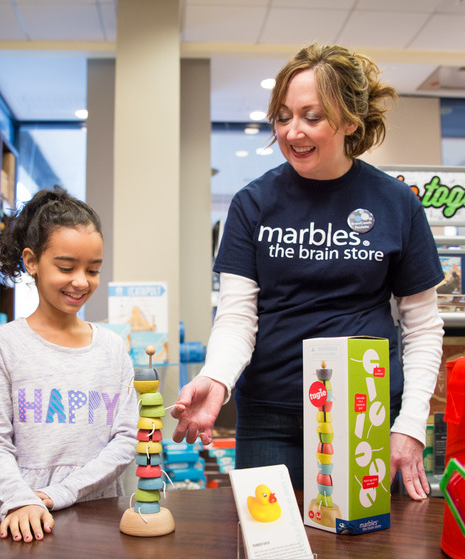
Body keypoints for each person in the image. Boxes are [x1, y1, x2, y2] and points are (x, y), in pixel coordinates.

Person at [171, 44, 444, 500]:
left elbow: (422, 326)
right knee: (273, 556)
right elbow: (238, 316)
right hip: (270, 416)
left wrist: (411, 422)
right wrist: (216, 378)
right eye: (282, 116)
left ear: (350, 122)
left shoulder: (396, 204)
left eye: (311, 116)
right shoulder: (253, 203)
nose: (292, 131)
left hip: (365, 415)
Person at [0, 187, 138, 542]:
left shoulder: (112, 349)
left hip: (94, 515)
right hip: (15, 518)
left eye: (93, 270)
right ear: (32, 261)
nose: (81, 281)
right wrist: (22, 501)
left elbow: (126, 439)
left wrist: (56, 495)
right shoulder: (3, 345)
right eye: (66, 267)